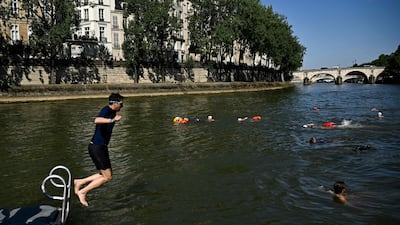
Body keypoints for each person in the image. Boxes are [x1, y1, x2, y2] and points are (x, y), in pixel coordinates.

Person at [74, 93, 124, 206]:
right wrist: (112, 120)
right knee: (108, 177)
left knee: (104, 175)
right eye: (121, 104)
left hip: (99, 147)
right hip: (97, 147)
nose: (122, 107)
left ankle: (79, 182)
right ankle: (82, 192)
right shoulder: (106, 110)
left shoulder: (112, 112)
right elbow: (97, 120)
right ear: (115, 103)